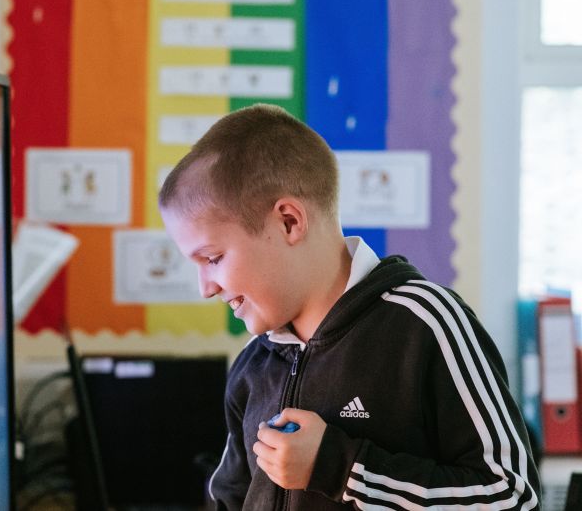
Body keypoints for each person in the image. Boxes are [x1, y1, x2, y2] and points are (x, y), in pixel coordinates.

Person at [158, 104, 541, 510]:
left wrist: (339, 468)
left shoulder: (426, 323)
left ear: (289, 222)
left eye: (213, 258)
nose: (205, 288)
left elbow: (514, 498)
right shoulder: (253, 365)